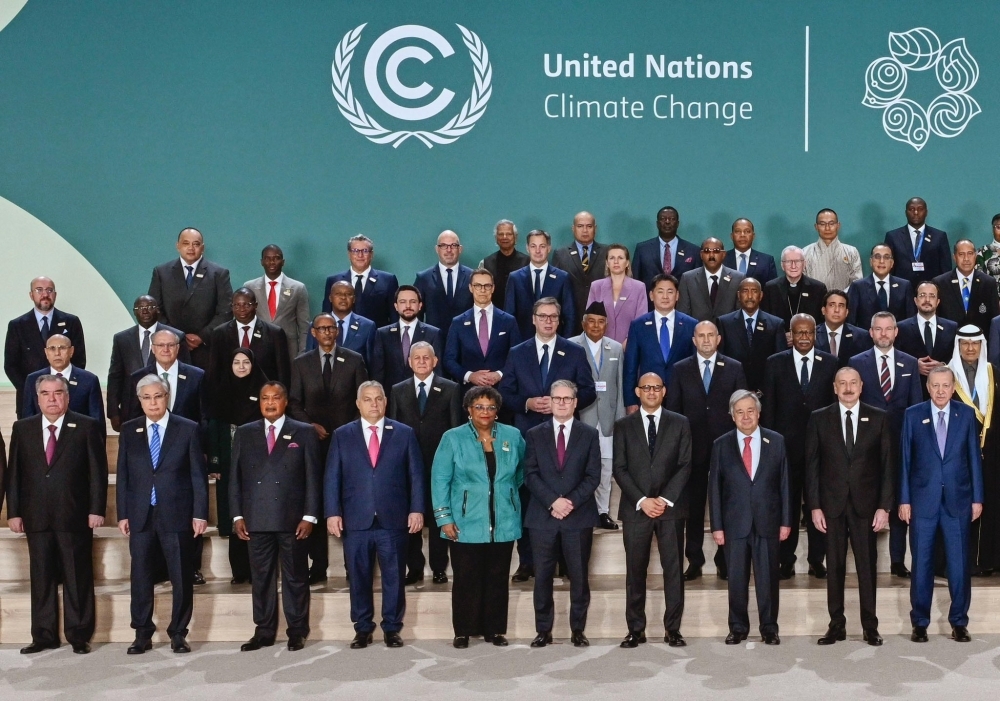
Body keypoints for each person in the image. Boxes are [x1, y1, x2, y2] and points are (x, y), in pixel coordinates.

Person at [6, 375, 107, 654]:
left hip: (74, 515)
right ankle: (44, 635)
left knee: (77, 577)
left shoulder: (86, 426)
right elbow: (14, 475)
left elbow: (97, 474)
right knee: (41, 578)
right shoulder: (23, 428)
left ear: (67, 396)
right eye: (46, 394)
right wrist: (13, 512)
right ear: (37, 398)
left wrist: (96, 509)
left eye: (58, 393)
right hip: (35, 516)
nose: (52, 399)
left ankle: (78, 635)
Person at [499, 297, 596, 581]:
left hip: (566, 436)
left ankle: (567, 562)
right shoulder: (518, 353)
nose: (548, 321)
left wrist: (563, 403)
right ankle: (528, 561)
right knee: (529, 495)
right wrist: (528, 403)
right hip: (530, 435)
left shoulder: (574, 352)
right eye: (543, 316)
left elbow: (589, 391)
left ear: (559, 320)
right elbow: (505, 393)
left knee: (567, 490)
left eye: (553, 316)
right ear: (533, 319)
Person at [326, 381, 425, 649]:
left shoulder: (404, 433)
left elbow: (416, 475)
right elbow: (332, 477)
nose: (373, 404)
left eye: (378, 399)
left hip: (393, 519)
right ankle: (362, 628)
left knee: (394, 575)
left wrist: (416, 508)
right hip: (355, 519)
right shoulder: (342, 434)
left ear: (385, 402)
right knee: (358, 576)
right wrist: (332, 512)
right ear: (358, 404)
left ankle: (392, 627)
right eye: (367, 399)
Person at [117, 375, 208, 654]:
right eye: (146, 397)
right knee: (141, 576)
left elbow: (198, 475)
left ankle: (178, 633)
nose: (153, 402)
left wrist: (200, 513)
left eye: (158, 396)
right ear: (140, 400)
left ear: (166, 397)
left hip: (177, 514)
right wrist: (123, 513)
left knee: (181, 576)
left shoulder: (188, 428)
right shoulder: (129, 430)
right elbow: (123, 476)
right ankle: (142, 632)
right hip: (141, 515)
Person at [805, 367, 893, 647]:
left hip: (866, 507)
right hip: (831, 506)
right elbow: (811, 466)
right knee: (835, 567)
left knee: (867, 567)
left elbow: (887, 466)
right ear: (834, 387)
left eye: (853, 382)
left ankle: (870, 626)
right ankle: (836, 625)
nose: (847, 388)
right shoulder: (819, 419)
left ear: (861, 385)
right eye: (842, 383)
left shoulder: (878, 417)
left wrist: (884, 507)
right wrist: (815, 506)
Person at [432, 386, 526, 649]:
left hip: (504, 520)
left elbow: (520, 474)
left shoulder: (513, 435)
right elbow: (440, 480)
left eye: (490, 407)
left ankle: (494, 630)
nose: (485, 412)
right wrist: (444, 518)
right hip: (464, 521)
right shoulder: (452, 438)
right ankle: (463, 630)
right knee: (466, 578)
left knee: (498, 577)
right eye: (479, 407)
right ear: (469, 410)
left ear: (497, 411)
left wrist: (505, 496)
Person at [231, 381, 321, 652]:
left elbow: (313, 477)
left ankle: (297, 630)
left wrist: (310, 516)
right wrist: (236, 516)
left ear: (285, 402)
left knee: (295, 576)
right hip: (256, 519)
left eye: (276, 398)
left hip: (293, 520)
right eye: (265, 398)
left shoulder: (304, 432)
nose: (270, 403)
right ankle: (264, 630)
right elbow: (234, 478)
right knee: (261, 578)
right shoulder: (245, 433)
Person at [899, 366, 983, 643]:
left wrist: (977, 498)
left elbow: (973, 458)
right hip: (922, 502)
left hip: (958, 501)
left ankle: (959, 622)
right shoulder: (913, 415)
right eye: (935, 385)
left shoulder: (966, 415)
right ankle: (919, 622)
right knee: (921, 564)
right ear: (928, 387)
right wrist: (904, 499)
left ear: (953, 386)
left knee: (958, 565)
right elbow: (905, 461)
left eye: (945, 385)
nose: (940, 391)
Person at [614, 372, 692, 648]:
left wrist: (665, 499)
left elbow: (685, 465)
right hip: (636, 509)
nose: (651, 392)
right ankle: (635, 629)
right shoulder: (623, 426)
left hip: (670, 509)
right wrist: (642, 500)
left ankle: (673, 629)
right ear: (637, 391)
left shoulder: (680, 423)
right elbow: (619, 469)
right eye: (646, 387)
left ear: (664, 391)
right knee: (635, 571)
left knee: (673, 571)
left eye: (656, 387)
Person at [288, 313, 368, 582]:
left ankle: (351, 567)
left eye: (331, 328)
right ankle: (318, 565)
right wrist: (309, 426)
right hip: (313, 443)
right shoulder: (301, 363)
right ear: (313, 333)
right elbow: (294, 402)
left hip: (348, 443)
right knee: (317, 501)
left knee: (347, 502)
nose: (326, 333)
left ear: (337, 331)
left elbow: (363, 401)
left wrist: (349, 432)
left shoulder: (355, 360)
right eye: (321, 329)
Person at [709, 389, 791, 645]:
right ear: (732, 416)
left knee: (768, 579)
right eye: (740, 412)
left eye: (750, 411)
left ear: (759, 413)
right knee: (736, 579)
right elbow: (715, 490)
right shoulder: (721, 445)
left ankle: (769, 627)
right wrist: (717, 526)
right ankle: (738, 627)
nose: (746, 417)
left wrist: (786, 521)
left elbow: (785, 485)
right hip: (734, 524)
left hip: (768, 522)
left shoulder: (775, 441)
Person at [667, 321, 747, 581]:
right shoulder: (680, 369)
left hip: (726, 448)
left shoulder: (735, 367)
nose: (705, 340)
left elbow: (742, 410)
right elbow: (675, 413)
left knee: (726, 505)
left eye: (710, 335)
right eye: (700, 336)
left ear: (718, 338)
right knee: (694, 507)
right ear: (693, 340)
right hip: (692, 450)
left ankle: (725, 560)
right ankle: (694, 559)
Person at [524, 380, 601, 648]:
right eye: (557, 399)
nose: (562, 403)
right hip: (542, 517)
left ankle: (577, 629)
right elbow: (530, 474)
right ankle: (543, 630)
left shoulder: (589, 434)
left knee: (579, 576)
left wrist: (569, 502)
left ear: (575, 402)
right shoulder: (534, 433)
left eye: (567, 399)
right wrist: (552, 502)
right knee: (542, 576)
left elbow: (593, 477)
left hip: (578, 516)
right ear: (550, 401)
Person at [760, 314, 837, 579]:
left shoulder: (831, 363)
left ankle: (817, 559)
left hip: (821, 451)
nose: (804, 337)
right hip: (785, 450)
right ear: (790, 335)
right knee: (787, 506)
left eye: (809, 333)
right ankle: (785, 559)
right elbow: (768, 409)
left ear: (815, 335)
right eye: (798, 333)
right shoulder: (774, 363)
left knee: (818, 505)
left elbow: (834, 411)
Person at [848, 312, 923, 579]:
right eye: (878, 329)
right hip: (868, 447)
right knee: (869, 500)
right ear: (870, 332)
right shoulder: (857, 362)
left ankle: (897, 560)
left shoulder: (910, 363)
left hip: (902, 443)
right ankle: (866, 558)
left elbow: (915, 407)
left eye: (888, 329)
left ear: (895, 332)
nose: (883, 334)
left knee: (899, 500)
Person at [388, 342, 463, 585]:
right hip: (407, 465)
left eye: (426, 357)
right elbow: (394, 429)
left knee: (438, 515)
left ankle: (439, 568)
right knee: (411, 517)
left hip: (439, 464)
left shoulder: (451, 389)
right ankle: (415, 568)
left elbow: (455, 429)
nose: (421, 361)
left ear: (435, 361)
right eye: (416, 357)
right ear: (409, 362)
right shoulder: (398, 390)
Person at [206, 349, 267, 583]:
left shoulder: (263, 390)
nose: (241, 366)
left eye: (246, 362)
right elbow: (213, 428)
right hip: (229, 463)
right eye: (236, 362)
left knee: (256, 515)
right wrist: (215, 462)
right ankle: (239, 572)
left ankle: (257, 571)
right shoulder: (220, 390)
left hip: (258, 465)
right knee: (234, 514)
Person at [947, 326, 1000, 575]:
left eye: (975, 343)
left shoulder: (993, 374)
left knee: (989, 506)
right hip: (956, 456)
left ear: (982, 345)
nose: (970, 348)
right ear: (958, 345)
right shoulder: (947, 376)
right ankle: (958, 562)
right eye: (965, 343)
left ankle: (987, 560)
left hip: (990, 456)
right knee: (958, 507)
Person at [569, 301, 625, 530]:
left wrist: (620, 420)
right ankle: (582, 509)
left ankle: (602, 512)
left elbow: (620, 386)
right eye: (591, 321)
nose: (595, 325)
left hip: (608, 419)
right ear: (583, 323)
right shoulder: (572, 345)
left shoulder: (616, 348)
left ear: (607, 324)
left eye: (601, 321)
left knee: (606, 466)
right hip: (583, 417)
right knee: (580, 466)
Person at [148, 227, 233, 369]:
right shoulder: (161, 272)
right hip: (171, 348)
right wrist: (176, 337)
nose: (191, 248)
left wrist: (202, 337)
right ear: (178, 246)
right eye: (186, 243)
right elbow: (155, 309)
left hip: (206, 348)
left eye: (196, 244)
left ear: (203, 248)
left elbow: (226, 311)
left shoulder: (219, 273)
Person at [5, 276, 87, 419]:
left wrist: (62, 389)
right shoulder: (17, 325)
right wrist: (33, 390)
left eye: (49, 290)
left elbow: (79, 359)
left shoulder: (71, 322)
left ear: (55, 294)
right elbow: (11, 366)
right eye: (39, 290)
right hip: (30, 400)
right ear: (31, 295)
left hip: (66, 399)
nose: (45, 294)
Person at [107, 296, 188, 432]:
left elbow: (186, 374)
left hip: (169, 407)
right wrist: (113, 412)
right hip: (131, 408)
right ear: (134, 311)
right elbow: (115, 376)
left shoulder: (175, 336)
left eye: (149, 307)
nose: (145, 311)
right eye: (140, 308)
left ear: (158, 310)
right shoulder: (121, 339)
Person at [443, 268, 521, 396]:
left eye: (487, 285)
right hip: (469, 394)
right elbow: (449, 360)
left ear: (493, 288)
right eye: (478, 285)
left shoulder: (508, 321)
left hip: (502, 392)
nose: (483, 290)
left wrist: (499, 374)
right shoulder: (458, 322)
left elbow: (518, 357)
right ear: (471, 288)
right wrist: (470, 376)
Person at [622, 274, 696, 410]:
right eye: (660, 292)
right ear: (651, 295)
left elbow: (695, 365)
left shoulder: (691, 325)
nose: (665, 296)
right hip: (648, 397)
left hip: (682, 397)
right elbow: (630, 368)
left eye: (670, 292)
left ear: (677, 295)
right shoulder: (638, 325)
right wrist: (630, 401)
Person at [208, 287, 291, 386]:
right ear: (232, 307)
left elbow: (283, 373)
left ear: (256, 305)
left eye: (247, 305)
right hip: (230, 395)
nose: (242, 309)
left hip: (264, 395)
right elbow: (214, 372)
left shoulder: (275, 333)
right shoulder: (219, 333)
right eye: (237, 305)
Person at [123, 329, 205, 425]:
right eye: (161, 345)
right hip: (151, 437)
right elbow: (132, 417)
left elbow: (204, 415)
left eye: (170, 345)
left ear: (177, 348)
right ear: (153, 349)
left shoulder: (196, 376)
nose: (166, 349)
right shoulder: (137, 378)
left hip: (187, 437)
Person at [504, 229, 576, 339]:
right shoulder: (515, 278)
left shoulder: (562, 278)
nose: (538, 251)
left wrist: (565, 343)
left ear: (549, 248)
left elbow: (570, 316)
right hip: (523, 345)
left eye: (542, 246)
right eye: (533, 246)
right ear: (527, 248)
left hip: (555, 344)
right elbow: (509, 316)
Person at [716, 278, 786, 391]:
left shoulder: (776, 324)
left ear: (761, 295)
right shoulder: (724, 323)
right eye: (745, 291)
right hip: (732, 391)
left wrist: (763, 391)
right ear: (738, 295)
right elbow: (721, 360)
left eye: (754, 291)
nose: (749, 296)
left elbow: (780, 364)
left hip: (766, 392)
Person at [244, 244, 311, 359]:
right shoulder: (249, 287)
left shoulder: (298, 288)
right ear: (261, 262)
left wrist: (302, 354)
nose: (272, 262)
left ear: (283, 261)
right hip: (258, 349)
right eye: (267, 258)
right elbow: (244, 321)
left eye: (276, 258)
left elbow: (304, 327)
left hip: (289, 351)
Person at [371, 286, 441, 394]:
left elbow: (438, 371)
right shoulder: (382, 334)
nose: (408, 306)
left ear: (420, 305)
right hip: (391, 397)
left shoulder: (433, 333)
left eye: (413, 302)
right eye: (403, 302)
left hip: (423, 396)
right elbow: (378, 372)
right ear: (396, 306)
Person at [22, 334, 104, 426]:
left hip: (78, 437)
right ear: (46, 352)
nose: (57, 353)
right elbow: (27, 419)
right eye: (52, 348)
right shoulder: (32, 379)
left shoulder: (89, 380)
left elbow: (97, 420)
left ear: (71, 351)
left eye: (62, 348)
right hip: (43, 438)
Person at [323, 234, 400, 328]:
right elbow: (326, 316)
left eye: (365, 251)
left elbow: (394, 317)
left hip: (376, 339)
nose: (360, 255)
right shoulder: (334, 281)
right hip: (342, 339)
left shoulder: (388, 280)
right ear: (349, 254)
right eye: (355, 251)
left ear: (371, 254)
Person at [551, 211, 609, 335]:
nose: (585, 230)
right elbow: (555, 290)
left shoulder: (607, 252)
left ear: (595, 228)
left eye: (589, 226)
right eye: (580, 226)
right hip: (570, 322)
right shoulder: (560, 254)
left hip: (600, 321)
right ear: (573, 229)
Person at [896, 281, 959, 390]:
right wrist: (914, 366)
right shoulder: (901, 328)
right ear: (915, 300)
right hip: (913, 389)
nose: (927, 300)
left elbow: (957, 357)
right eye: (922, 295)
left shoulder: (951, 327)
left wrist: (943, 366)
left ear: (938, 301)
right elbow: (896, 357)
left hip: (943, 389)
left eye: (932, 296)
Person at [413, 230, 474, 342]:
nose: (449, 250)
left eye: (453, 246)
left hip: (467, 343)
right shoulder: (423, 278)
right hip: (433, 343)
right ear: (437, 249)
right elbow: (417, 315)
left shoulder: (473, 277)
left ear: (460, 249)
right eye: (444, 246)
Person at [932, 239, 1000, 337]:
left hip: (981, 343)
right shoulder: (940, 283)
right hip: (949, 343)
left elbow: (995, 319)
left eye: (970, 254)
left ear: (975, 255)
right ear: (954, 257)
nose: (966, 259)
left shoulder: (988, 283)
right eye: (961, 254)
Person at [584, 243, 647, 344]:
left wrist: (629, 341)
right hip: (601, 345)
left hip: (630, 345)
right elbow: (589, 319)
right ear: (607, 263)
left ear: (627, 263)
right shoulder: (596, 286)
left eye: (620, 258)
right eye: (612, 258)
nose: (616, 262)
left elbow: (641, 321)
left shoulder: (639, 287)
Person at [632, 206, 700, 298]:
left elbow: (696, 285)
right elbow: (635, 281)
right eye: (663, 219)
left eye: (672, 219)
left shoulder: (693, 250)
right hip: (650, 306)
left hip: (683, 306)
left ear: (677, 223)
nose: (667, 222)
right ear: (657, 223)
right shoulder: (642, 249)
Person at [884, 197, 952, 286]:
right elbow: (888, 268)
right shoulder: (893, 237)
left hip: (931, 292)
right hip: (900, 291)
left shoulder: (939, 236)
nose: (916, 212)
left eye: (920, 209)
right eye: (912, 209)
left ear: (926, 212)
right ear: (905, 212)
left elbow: (946, 270)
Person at [762, 245, 828, 337]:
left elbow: (823, 321)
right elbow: (765, 319)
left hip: (810, 342)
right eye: (788, 261)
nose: (793, 266)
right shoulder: (771, 288)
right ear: (782, 265)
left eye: (797, 261)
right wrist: (782, 336)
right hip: (778, 344)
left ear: (804, 264)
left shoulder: (818, 288)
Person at [847, 244, 916, 330]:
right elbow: (850, 322)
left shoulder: (904, 286)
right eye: (877, 257)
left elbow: (911, 320)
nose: (882, 261)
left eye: (886, 257)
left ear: (892, 263)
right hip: (866, 340)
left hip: (898, 341)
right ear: (871, 261)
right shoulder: (858, 286)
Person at [677, 238, 744, 320]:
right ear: (701, 255)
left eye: (716, 251)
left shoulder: (738, 278)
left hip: (728, 332)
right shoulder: (687, 278)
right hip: (698, 331)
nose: (711, 255)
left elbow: (740, 315)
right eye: (707, 251)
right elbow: (683, 315)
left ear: (723, 254)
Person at [313, 280, 376, 368]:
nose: (343, 297)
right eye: (338, 294)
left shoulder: (367, 326)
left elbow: (371, 363)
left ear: (354, 299)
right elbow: (308, 360)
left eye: (348, 294)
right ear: (330, 298)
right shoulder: (316, 325)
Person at [802, 208, 863, 291]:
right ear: (816, 227)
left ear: (838, 225)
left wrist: (840, 299)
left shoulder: (851, 252)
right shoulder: (805, 253)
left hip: (844, 301)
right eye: (822, 224)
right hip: (815, 302)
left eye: (831, 223)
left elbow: (857, 283)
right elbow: (803, 284)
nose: (827, 228)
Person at [814, 289, 873, 367]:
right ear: (823, 310)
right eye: (832, 305)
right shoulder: (812, 334)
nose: (837, 310)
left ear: (846, 312)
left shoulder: (861, 336)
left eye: (841, 306)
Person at [481, 219, 530, 308]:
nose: (504, 237)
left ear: (515, 237)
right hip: (494, 314)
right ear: (496, 238)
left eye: (508, 234)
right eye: (500, 234)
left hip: (522, 315)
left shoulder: (527, 262)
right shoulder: (485, 263)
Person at [723, 217, 778, 285]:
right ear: (732, 236)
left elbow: (772, 290)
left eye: (747, 231)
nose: (742, 235)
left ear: (753, 236)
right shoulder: (722, 259)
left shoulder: (767, 261)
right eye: (738, 231)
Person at [976, 213, 1000, 297]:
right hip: (991, 299)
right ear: (992, 229)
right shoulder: (983, 252)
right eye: (999, 227)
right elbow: (979, 279)